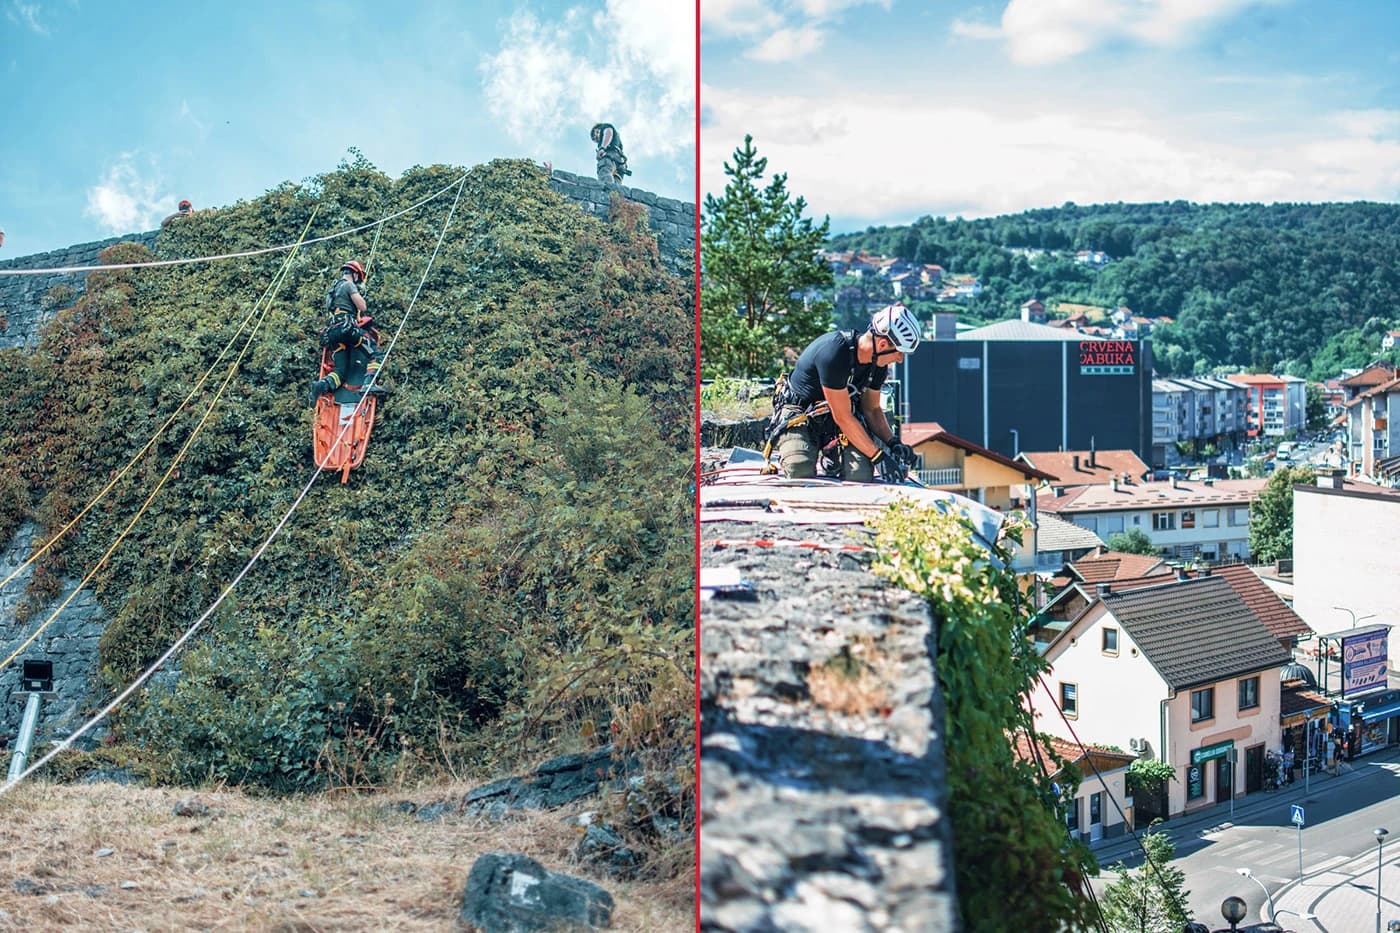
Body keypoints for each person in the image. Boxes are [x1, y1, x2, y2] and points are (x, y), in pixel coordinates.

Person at [765, 304, 922, 483]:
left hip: (836, 420)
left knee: (861, 475)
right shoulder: (834, 353)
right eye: (900, 353)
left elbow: (872, 410)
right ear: (883, 344)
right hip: (801, 414)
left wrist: (893, 443)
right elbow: (843, 417)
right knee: (799, 470)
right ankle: (796, 449)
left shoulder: (877, 365)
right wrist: (878, 457)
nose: (900, 360)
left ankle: (832, 455)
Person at [308, 260, 385, 405]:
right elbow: (362, 306)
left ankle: (321, 385)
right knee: (375, 354)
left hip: (333, 333)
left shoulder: (332, 291)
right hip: (348, 329)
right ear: (355, 274)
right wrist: (358, 294)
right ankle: (368, 384)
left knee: (340, 371)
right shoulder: (349, 285)